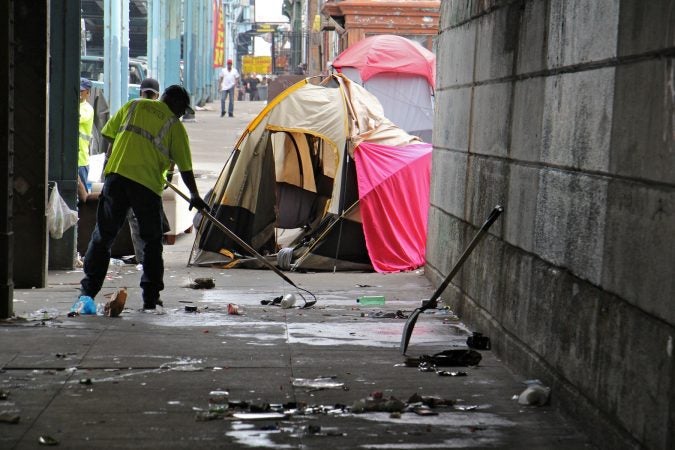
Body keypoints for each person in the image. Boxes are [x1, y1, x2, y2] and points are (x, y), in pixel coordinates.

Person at [77, 85, 209, 311]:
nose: (180, 114)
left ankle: (87, 293)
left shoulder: (133, 105)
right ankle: (150, 296)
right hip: (146, 187)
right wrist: (195, 195)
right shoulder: (174, 126)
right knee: (151, 242)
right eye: (181, 109)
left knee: (103, 236)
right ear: (175, 104)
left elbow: (109, 134)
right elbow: (185, 167)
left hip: (117, 178)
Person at [78, 78, 95, 192]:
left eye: (81, 91)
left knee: (82, 195)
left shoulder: (87, 109)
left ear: (88, 93)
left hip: (80, 160)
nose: (79, 93)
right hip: (74, 159)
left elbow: (76, 117)